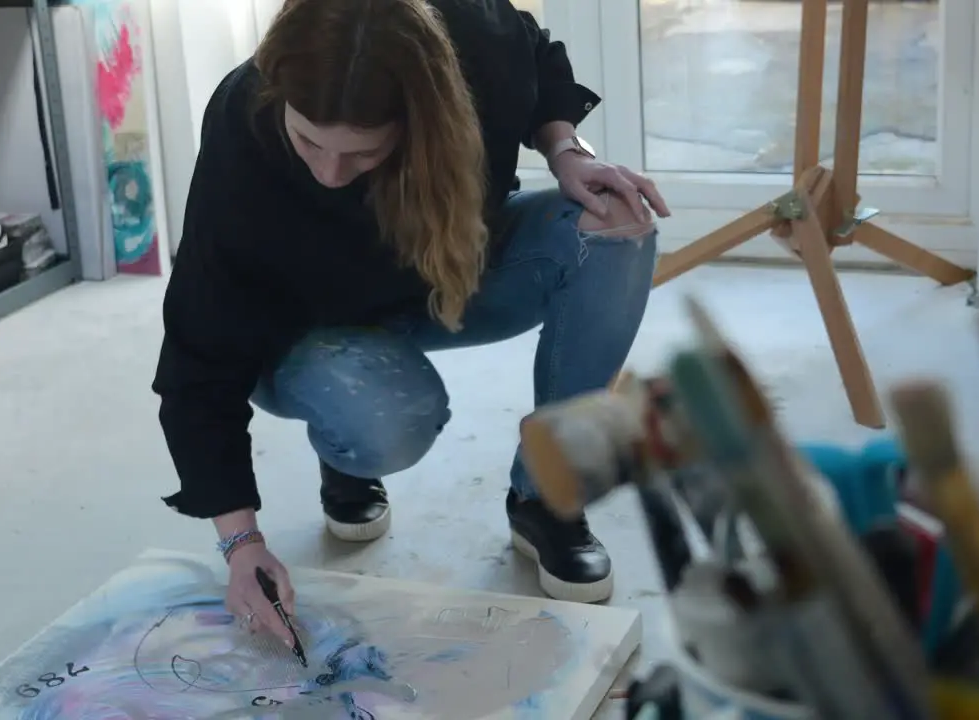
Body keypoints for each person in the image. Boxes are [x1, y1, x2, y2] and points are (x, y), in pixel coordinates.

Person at [152, 0, 670, 646]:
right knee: (388, 418)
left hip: (436, 276)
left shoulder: (476, 40)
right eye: (309, 140)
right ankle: (342, 451)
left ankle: (546, 496)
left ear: (421, 114)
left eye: (361, 153)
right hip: (310, 330)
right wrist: (241, 542)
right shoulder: (242, 124)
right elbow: (198, 355)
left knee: (616, 229)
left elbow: (536, 53)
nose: (329, 173)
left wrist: (567, 151)